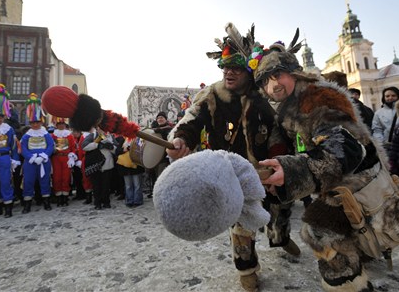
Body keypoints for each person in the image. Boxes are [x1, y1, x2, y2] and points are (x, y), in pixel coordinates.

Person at [255, 30, 399, 291]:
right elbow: (284, 135)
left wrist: (293, 171)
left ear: (294, 72)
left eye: (277, 75)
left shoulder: (318, 97)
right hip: (338, 178)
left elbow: (343, 150)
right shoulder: (290, 105)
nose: (272, 84)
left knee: (321, 233)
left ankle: (349, 285)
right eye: (265, 81)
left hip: (358, 177)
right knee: (338, 235)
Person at [166, 22, 299, 292]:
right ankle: (247, 269)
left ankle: (280, 237)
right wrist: (180, 139)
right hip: (232, 173)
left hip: (268, 168)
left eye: (236, 67)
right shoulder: (212, 94)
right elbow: (191, 121)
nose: (228, 72)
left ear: (249, 71)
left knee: (280, 210)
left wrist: (280, 161)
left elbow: (279, 129)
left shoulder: (265, 95)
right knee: (240, 224)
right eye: (225, 66)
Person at [20, 93, 54, 213]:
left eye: (37, 122)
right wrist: (31, 157)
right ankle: (27, 203)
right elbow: (22, 147)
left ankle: (46, 201)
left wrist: (45, 155)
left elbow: (51, 145)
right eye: (33, 122)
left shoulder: (45, 133)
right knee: (28, 181)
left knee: (45, 180)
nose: (35, 125)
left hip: (44, 161)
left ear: (41, 122)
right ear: (30, 123)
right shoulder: (27, 135)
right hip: (30, 162)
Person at [0, 84, 20, 218]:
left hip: (4, 157)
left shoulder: (8, 129)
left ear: (3, 117)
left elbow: (13, 145)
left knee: (5, 181)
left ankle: (8, 206)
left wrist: (14, 159)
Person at [82, 127, 117, 210]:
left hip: (107, 164)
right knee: (96, 186)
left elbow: (116, 149)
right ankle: (97, 203)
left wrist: (111, 147)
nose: (103, 130)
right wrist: (97, 145)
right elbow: (84, 146)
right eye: (101, 128)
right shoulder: (92, 135)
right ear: (97, 129)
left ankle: (106, 202)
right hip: (96, 165)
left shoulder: (111, 137)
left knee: (106, 185)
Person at [50, 117, 77, 207]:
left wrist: (72, 156)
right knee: (56, 177)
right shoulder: (53, 135)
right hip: (56, 158)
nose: (61, 126)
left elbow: (73, 147)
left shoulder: (69, 135)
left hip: (66, 158)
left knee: (66, 177)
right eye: (59, 124)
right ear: (56, 125)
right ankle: (59, 197)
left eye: (62, 124)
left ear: (65, 125)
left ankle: (65, 197)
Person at [371, 86, 399, 150]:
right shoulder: (378, 113)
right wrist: (381, 144)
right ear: (384, 98)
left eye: (393, 95)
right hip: (388, 147)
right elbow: (377, 130)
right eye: (387, 96)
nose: (390, 98)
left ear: (398, 96)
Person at [116, 138, 145, 207]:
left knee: (137, 185)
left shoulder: (138, 140)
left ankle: (137, 201)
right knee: (128, 185)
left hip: (136, 166)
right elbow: (117, 151)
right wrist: (124, 149)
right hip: (125, 167)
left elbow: (142, 149)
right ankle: (129, 201)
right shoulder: (122, 140)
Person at [151, 111, 173, 182]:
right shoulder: (153, 130)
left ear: (165, 119)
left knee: (162, 179)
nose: (160, 119)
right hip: (154, 158)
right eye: (158, 118)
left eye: (162, 117)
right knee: (154, 178)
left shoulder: (169, 130)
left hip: (164, 159)